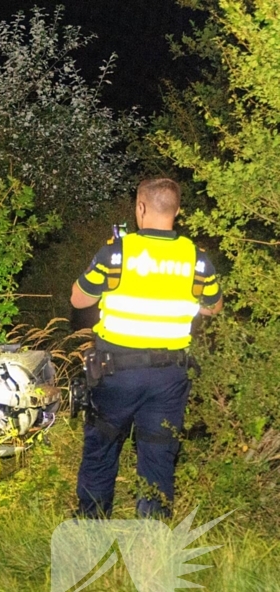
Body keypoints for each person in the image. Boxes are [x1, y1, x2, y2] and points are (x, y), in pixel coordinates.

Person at [69, 178, 222, 518]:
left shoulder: (117, 252)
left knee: (102, 447)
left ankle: (92, 524)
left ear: (140, 208)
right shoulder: (197, 259)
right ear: (177, 211)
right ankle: (152, 532)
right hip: (169, 376)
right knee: (158, 452)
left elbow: (78, 299)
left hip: (116, 372)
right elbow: (214, 306)